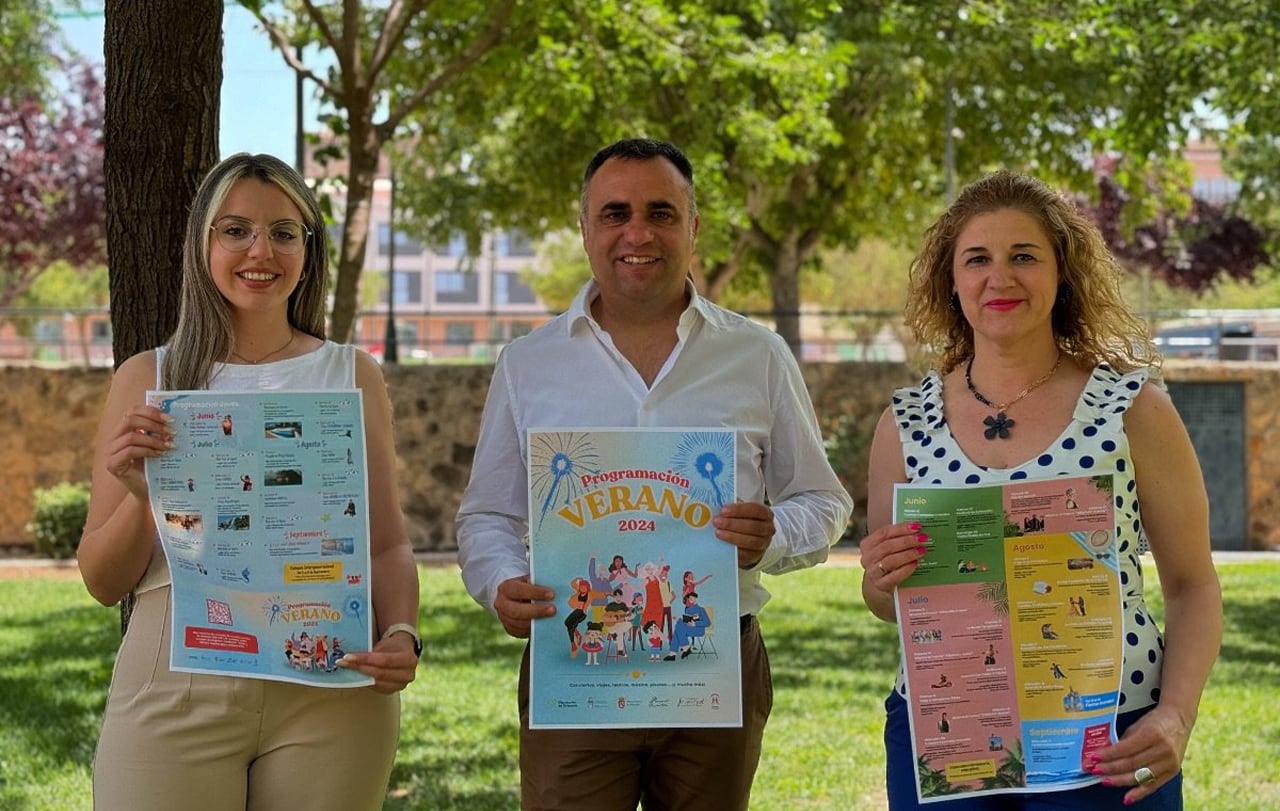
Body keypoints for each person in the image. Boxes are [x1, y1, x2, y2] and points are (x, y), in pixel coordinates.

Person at [456, 137, 853, 811]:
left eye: (661, 213)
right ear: (585, 230)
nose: (637, 233)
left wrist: (775, 533)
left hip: (714, 668)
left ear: (693, 228)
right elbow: (487, 514)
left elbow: (824, 500)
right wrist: (498, 581)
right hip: (574, 666)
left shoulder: (758, 355)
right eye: (615, 213)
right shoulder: (528, 362)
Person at [857, 170, 1222, 809]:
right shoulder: (904, 423)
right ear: (953, 281)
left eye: (1024, 256)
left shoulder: (1133, 408)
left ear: (1062, 274)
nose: (1000, 278)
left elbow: (1193, 584)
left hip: (1110, 739)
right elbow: (890, 603)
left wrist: (1176, 717)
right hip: (948, 737)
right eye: (978, 259)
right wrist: (881, 580)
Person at [77, 153, 421, 810]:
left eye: (284, 231)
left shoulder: (353, 376)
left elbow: (386, 545)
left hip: (330, 685)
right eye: (234, 229)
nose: (260, 249)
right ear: (202, 243)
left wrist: (402, 632)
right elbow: (101, 580)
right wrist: (148, 498)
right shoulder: (146, 377)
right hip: (176, 675)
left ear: (307, 247)